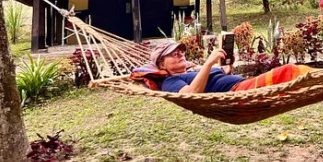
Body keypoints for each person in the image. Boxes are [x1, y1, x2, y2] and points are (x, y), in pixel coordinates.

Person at [130, 39, 311, 93]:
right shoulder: (171, 80)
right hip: (238, 94)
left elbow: (223, 72)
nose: (180, 55)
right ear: (162, 63)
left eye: (181, 52)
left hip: (245, 85)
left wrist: (229, 64)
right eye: (174, 54)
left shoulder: (193, 70)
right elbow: (191, 95)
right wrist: (208, 63)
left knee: (294, 76)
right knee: (289, 71)